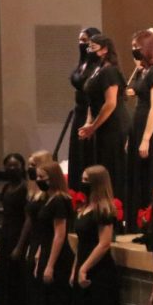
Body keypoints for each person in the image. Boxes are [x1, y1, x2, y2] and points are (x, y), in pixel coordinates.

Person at [69, 165, 123, 305]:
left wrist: (84, 268)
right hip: (83, 264)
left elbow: (104, 243)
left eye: (86, 180)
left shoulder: (104, 209)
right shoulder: (84, 207)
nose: (82, 183)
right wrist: (75, 267)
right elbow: (81, 242)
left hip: (99, 270)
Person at [125, 30, 153, 233]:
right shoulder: (143, 71)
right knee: (138, 176)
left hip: (150, 128)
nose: (134, 50)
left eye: (137, 47)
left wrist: (145, 139)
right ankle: (141, 223)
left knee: (151, 174)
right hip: (138, 123)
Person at [79, 34, 129, 211]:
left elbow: (110, 103)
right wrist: (88, 122)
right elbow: (93, 101)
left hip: (113, 126)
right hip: (101, 126)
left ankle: (114, 212)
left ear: (105, 49)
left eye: (93, 47)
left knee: (111, 168)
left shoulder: (109, 70)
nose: (89, 50)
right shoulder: (97, 69)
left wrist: (93, 126)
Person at [32, 161, 74, 305]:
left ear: (53, 178)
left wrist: (50, 265)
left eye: (42, 177)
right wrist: (38, 257)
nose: (38, 180)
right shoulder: (47, 199)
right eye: (37, 177)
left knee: (55, 301)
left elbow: (59, 234)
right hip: (46, 251)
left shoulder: (59, 201)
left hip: (58, 256)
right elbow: (45, 233)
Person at [15, 150, 53, 305]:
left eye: (33, 165)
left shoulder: (48, 194)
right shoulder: (32, 189)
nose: (29, 169)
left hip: (41, 240)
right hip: (34, 240)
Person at [0, 153, 28, 305]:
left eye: (16, 166)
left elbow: (28, 219)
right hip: (6, 235)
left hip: (18, 236)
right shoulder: (6, 188)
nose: (12, 169)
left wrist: (20, 246)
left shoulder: (25, 188)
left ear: (22, 167)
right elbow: (5, 217)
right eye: (9, 166)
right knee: (3, 280)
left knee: (15, 281)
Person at [69, 27, 101, 191]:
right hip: (78, 111)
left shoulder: (97, 67)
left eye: (85, 41)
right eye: (80, 40)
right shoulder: (82, 63)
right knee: (76, 152)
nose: (81, 44)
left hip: (90, 112)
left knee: (87, 153)